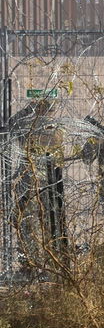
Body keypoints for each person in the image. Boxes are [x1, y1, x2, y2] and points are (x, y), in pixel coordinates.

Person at [8, 98, 66, 268]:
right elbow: (10, 126)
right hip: (32, 182)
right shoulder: (29, 126)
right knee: (29, 224)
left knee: (44, 223)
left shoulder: (51, 128)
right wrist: (29, 112)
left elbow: (53, 139)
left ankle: (44, 265)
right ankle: (32, 265)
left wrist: (28, 112)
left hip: (45, 182)